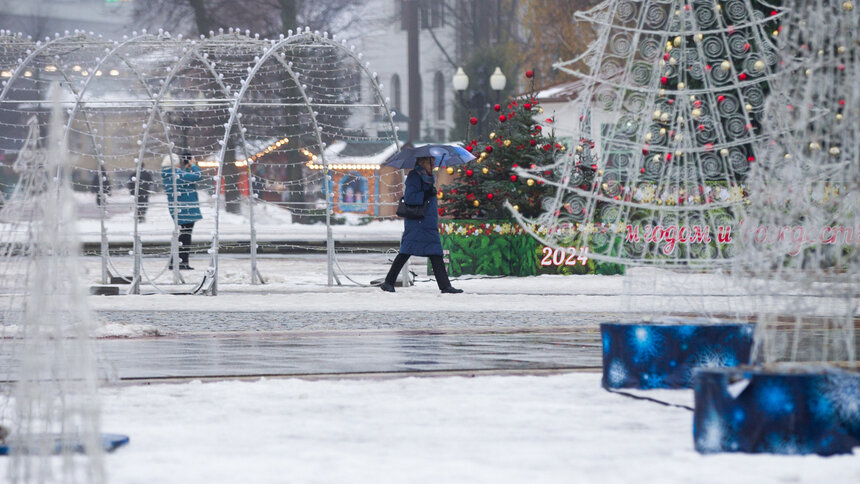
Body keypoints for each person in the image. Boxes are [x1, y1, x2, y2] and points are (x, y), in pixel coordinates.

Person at [380, 156, 462, 293]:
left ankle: (445, 286)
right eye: (432, 161)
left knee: (434, 253)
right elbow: (410, 197)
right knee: (406, 252)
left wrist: (429, 190)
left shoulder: (428, 177)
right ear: (423, 162)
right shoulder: (414, 176)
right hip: (417, 222)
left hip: (427, 222)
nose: (434, 164)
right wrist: (426, 193)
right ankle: (388, 282)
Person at [161, 152, 202, 270]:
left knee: (183, 236)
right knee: (185, 237)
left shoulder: (169, 174)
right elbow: (197, 176)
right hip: (186, 209)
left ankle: (176, 261)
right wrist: (193, 165)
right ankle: (181, 262)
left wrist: (188, 169)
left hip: (179, 208)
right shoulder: (176, 174)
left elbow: (187, 181)